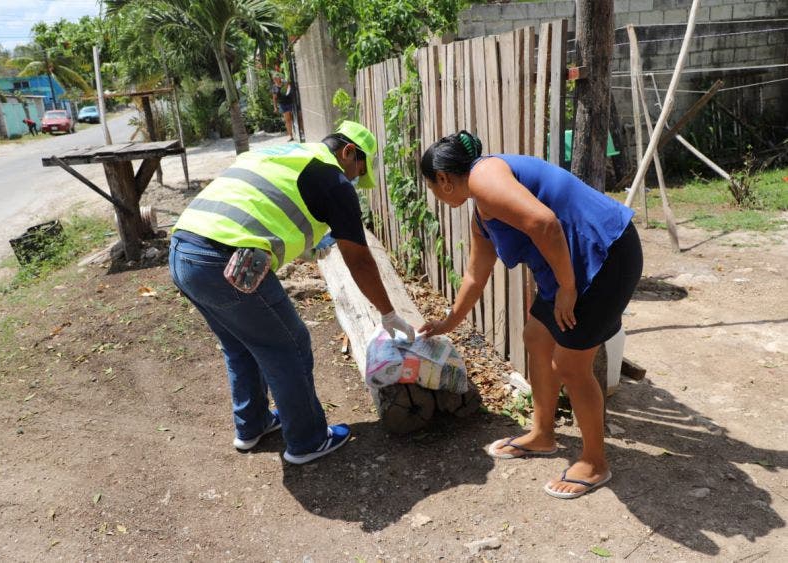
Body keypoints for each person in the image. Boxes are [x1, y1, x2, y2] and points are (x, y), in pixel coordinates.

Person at [169, 120, 416, 465]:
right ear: (348, 152)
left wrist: (311, 244)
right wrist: (388, 313)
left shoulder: (287, 153)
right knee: (289, 345)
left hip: (183, 250)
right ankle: (307, 440)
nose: (356, 182)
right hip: (223, 259)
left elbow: (265, 207)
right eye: (359, 171)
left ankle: (251, 426)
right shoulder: (334, 179)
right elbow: (359, 259)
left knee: (240, 344)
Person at [418, 131, 643, 499]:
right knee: (537, 337)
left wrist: (567, 289)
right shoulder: (483, 211)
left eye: (432, 188)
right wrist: (447, 323)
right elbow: (476, 276)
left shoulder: (484, 176)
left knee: (571, 364)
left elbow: (544, 223)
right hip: (571, 267)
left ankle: (595, 461)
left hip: (603, 255)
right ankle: (542, 434)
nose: (436, 198)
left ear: (443, 179)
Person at [272, 74, 295, 141]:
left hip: (290, 102)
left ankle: (295, 131)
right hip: (283, 104)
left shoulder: (285, 83)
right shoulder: (274, 87)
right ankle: (290, 135)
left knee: (292, 118)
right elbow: (274, 98)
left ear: (279, 78)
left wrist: (284, 81)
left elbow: (288, 84)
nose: (276, 80)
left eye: (277, 78)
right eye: (274, 79)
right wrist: (275, 107)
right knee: (287, 120)